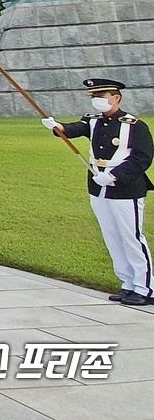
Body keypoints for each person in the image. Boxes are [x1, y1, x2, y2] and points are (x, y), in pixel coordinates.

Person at [42, 78, 152, 306]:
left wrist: (114, 176)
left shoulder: (134, 126)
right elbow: (74, 129)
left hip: (125, 188)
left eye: (101, 97)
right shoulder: (92, 121)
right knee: (112, 236)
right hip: (98, 187)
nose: (96, 101)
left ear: (116, 98)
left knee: (131, 237)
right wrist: (57, 126)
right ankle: (127, 284)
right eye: (94, 97)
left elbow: (142, 158)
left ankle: (145, 287)